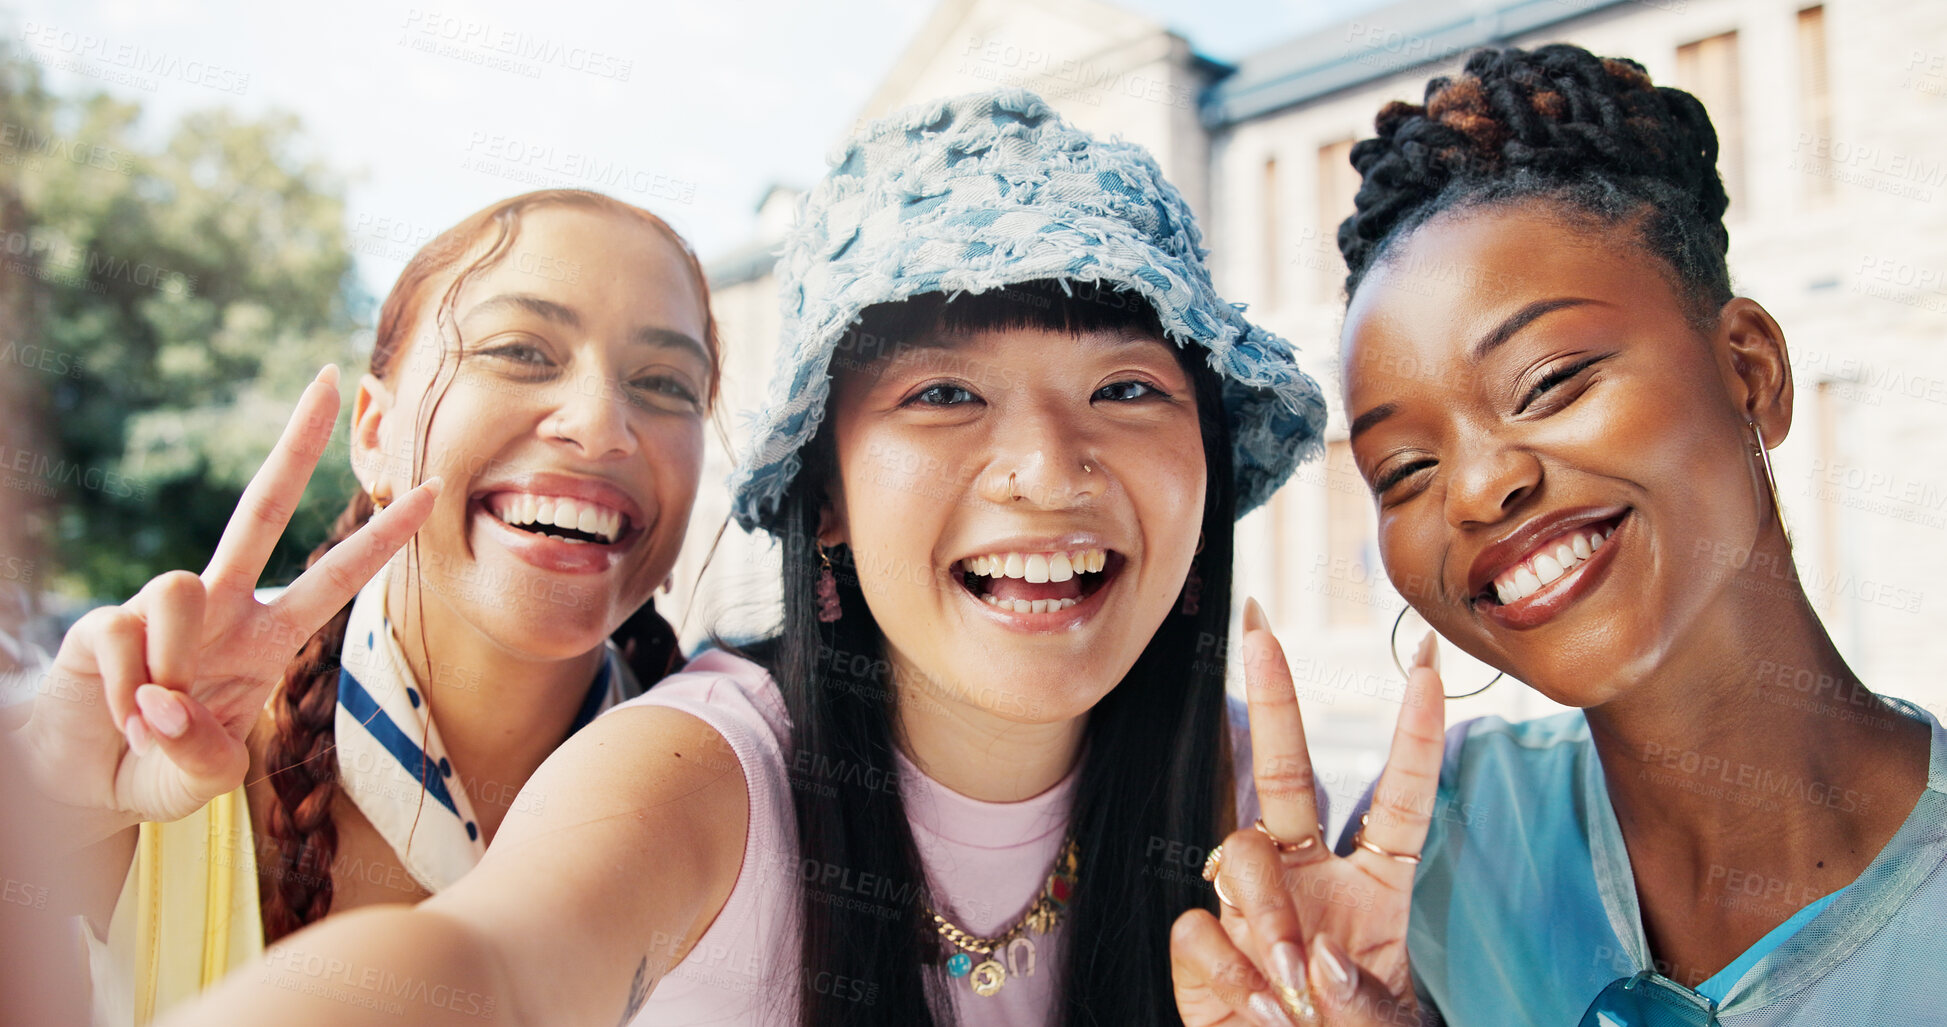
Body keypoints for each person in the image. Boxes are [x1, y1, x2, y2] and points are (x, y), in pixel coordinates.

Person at [149, 89, 1359, 1027]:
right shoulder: (698, 771)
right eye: (944, 390)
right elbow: (490, 964)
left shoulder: (1252, 808)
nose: (1046, 468)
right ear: (822, 499)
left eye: (1127, 385)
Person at [1176, 45, 1946, 1026]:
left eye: (1548, 383)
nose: (1480, 488)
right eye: (1406, 470)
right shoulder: (1445, 853)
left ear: (1751, 371)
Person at [15, 187, 721, 1025]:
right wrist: (52, 791)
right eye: (521, 351)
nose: (602, 422)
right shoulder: (166, 739)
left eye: (666, 382)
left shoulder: (738, 801)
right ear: (373, 434)